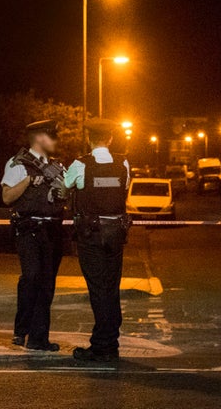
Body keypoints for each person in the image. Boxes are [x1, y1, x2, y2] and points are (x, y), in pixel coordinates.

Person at [64, 118, 130, 362]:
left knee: (98, 289)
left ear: (89, 139)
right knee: (111, 288)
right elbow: (124, 189)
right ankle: (110, 342)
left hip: (91, 235)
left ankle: (102, 346)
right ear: (111, 138)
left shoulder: (80, 164)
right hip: (115, 233)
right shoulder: (123, 162)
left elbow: (65, 186)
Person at [1, 119, 65, 351]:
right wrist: (28, 181)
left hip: (52, 230)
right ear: (39, 138)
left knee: (47, 283)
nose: (56, 141)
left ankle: (39, 339)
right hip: (29, 229)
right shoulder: (19, 164)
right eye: (53, 136)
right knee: (32, 277)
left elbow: (67, 194)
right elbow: (7, 197)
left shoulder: (57, 166)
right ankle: (21, 329)